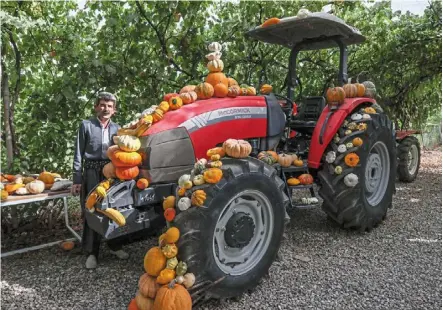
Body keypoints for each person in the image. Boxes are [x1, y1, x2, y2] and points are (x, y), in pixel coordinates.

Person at [71, 92, 129, 269]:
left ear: (114, 110)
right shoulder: (86, 125)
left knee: (114, 209)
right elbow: (78, 153)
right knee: (91, 209)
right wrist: (77, 178)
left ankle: (114, 245)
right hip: (91, 171)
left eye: (109, 106)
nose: (106, 109)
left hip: (111, 172)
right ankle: (91, 253)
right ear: (96, 107)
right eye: (102, 105)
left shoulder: (118, 130)